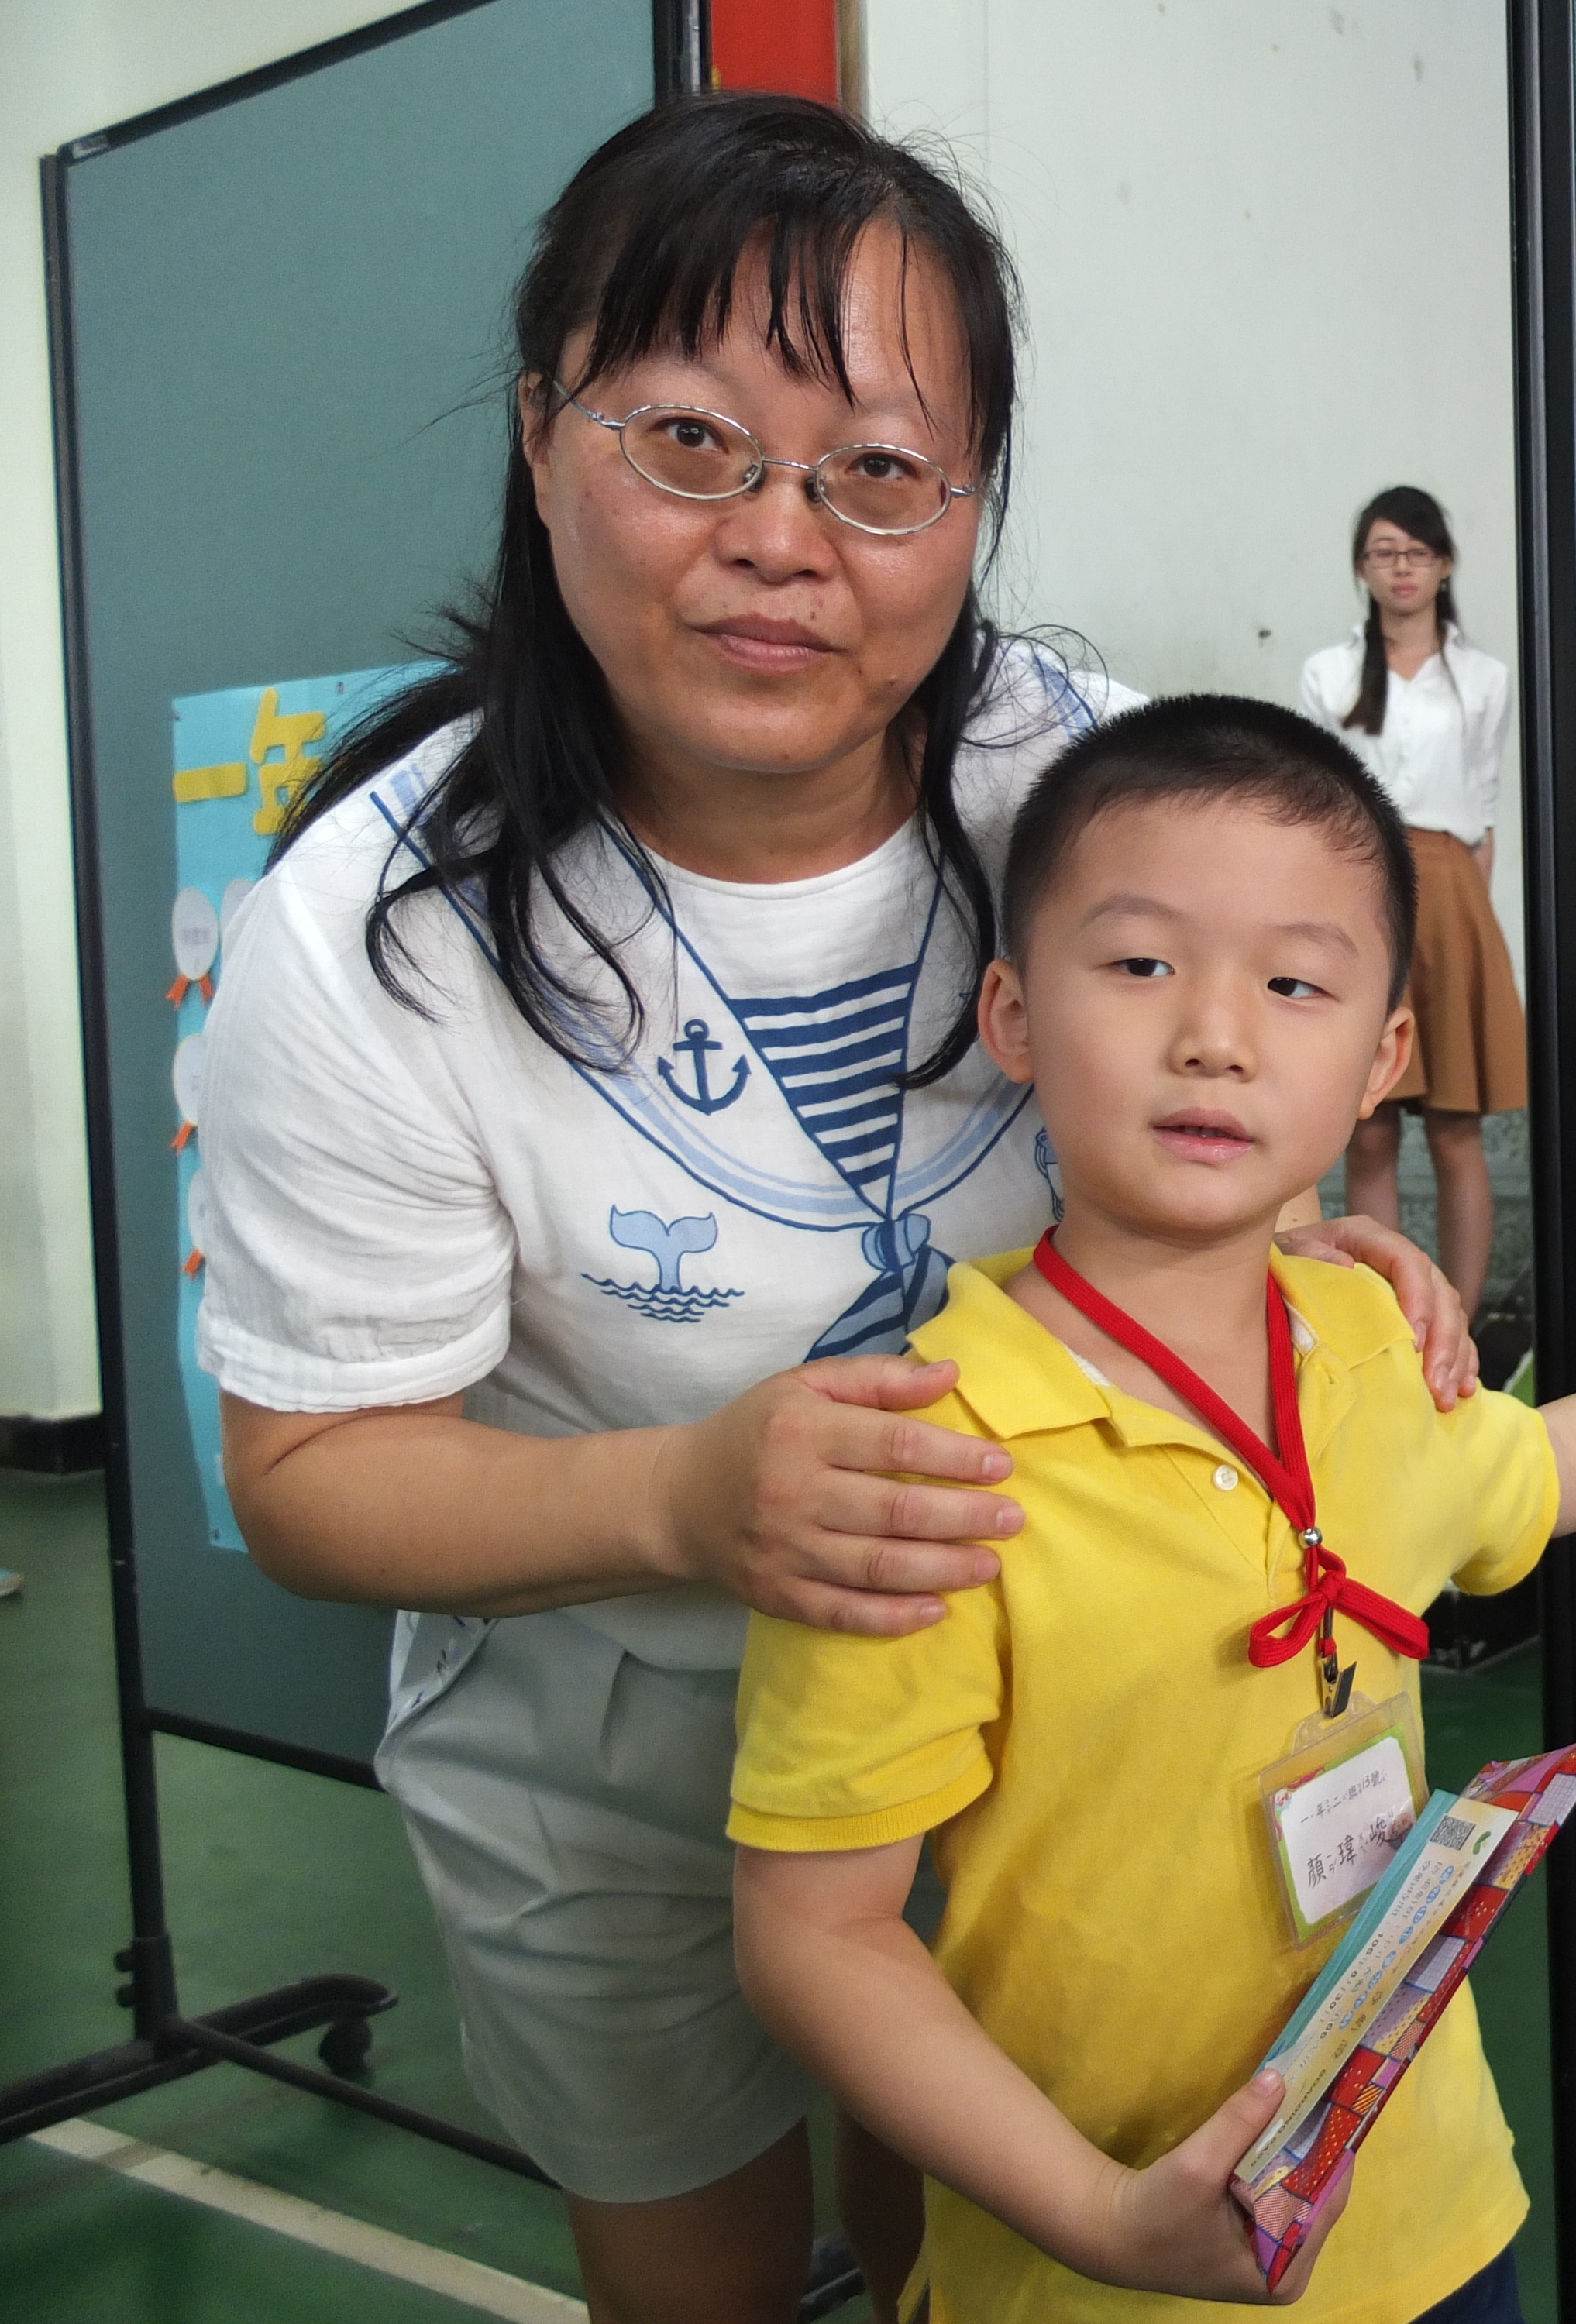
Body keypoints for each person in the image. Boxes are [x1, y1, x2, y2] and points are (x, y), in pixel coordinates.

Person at [194, 98, 1471, 2324]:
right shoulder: (374, 934)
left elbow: (1229, 1071)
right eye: (690, 443)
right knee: (692, 2274)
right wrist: (685, 1499)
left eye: (879, 471)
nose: (782, 542)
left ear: (969, 506)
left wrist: (1282, 1250)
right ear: (541, 437)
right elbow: (309, 1475)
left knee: (951, 2239)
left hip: (1031, 1718)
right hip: (610, 1735)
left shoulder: (1076, 785)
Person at [728, 695, 1576, 2324]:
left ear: (1384, 1058)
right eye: (1140, 963)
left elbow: (1536, 1473)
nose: (1215, 1037)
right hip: (1105, 2278)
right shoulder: (921, 1462)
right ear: (1013, 1014)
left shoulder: (1372, 1342)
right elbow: (815, 1932)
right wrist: (1100, 2217)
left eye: (1295, 985)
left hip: (1430, 2214)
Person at [1298, 489, 1523, 1319]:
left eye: (1417, 553)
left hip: (1451, 893)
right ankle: (1381, 1323)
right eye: (1384, 553)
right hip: (1358, 890)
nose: (1402, 569)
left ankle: (1460, 1322)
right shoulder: (1326, 674)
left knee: (1457, 1130)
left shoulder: (1484, 679)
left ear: (1445, 565)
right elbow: (1315, 800)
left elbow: (1484, 809)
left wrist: (1469, 921)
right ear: (1362, 567)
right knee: (1369, 1128)